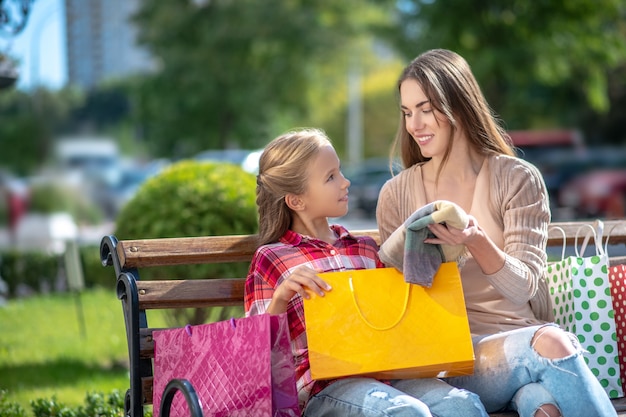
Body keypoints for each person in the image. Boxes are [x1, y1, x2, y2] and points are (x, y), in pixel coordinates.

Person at [376, 48, 617, 417]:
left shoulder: (517, 179)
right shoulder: (397, 194)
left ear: (458, 104)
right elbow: (397, 298)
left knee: (544, 406)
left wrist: (476, 241)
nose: (414, 125)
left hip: (520, 345)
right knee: (552, 343)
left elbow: (524, 287)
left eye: (426, 109)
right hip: (451, 359)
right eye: (407, 113)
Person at [245, 127, 488, 417]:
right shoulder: (272, 257)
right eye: (331, 177)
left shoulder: (363, 248)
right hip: (324, 390)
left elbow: (396, 315)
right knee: (405, 413)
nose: (345, 182)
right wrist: (282, 297)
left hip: (388, 374)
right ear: (296, 200)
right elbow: (256, 353)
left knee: (463, 406)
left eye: (340, 171)